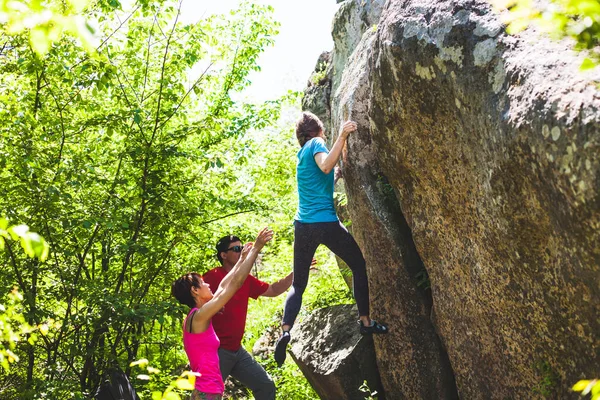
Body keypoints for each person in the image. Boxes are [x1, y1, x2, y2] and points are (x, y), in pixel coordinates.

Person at [274, 112, 389, 367]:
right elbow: (325, 165)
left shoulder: (301, 155)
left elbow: (323, 174)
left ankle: (285, 331)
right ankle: (366, 322)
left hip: (303, 226)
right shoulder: (316, 144)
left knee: (299, 284)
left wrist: (335, 175)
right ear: (319, 130)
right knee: (358, 266)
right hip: (325, 224)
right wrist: (343, 135)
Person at [202, 235, 314, 399]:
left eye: (242, 248)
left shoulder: (246, 279)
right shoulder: (210, 277)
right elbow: (197, 309)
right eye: (236, 249)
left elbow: (274, 290)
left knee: (265, 386)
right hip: (218, 352)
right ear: (223, 255)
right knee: (209, 397)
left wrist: (297, 271)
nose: (241, 252)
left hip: (236, 351)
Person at [171, 227, 274, 400]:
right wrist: (255, 249)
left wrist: (242, 259)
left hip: (209, 392)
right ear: (195, 291)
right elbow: (234, 285)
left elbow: (225, 284)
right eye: (203, 284)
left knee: (265, 385)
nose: (209, 285)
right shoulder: (199, 316)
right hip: (206, 394)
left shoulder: (198, 313)